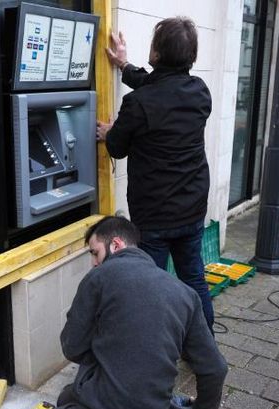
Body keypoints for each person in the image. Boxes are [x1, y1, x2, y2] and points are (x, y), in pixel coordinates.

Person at [8, 216, 228, 409]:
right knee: (66, 398)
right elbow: (215, 368)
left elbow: (72, 347)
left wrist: (104, 345)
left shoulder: (100, 277)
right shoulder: (186, 294)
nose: (93, 263)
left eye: (94, 253)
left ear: (116, 245)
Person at [95, 18, 215, 330]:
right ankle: (203, 347)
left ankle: (153, 353)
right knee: (193, 278)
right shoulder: (199, 92)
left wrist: (110, 132)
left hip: (154, 216)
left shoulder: (138, 103)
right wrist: (123, 64)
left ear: (157, 53)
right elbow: (161, 87)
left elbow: (118, 148)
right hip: (192, 207)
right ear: (191, 56)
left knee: (152, 287)